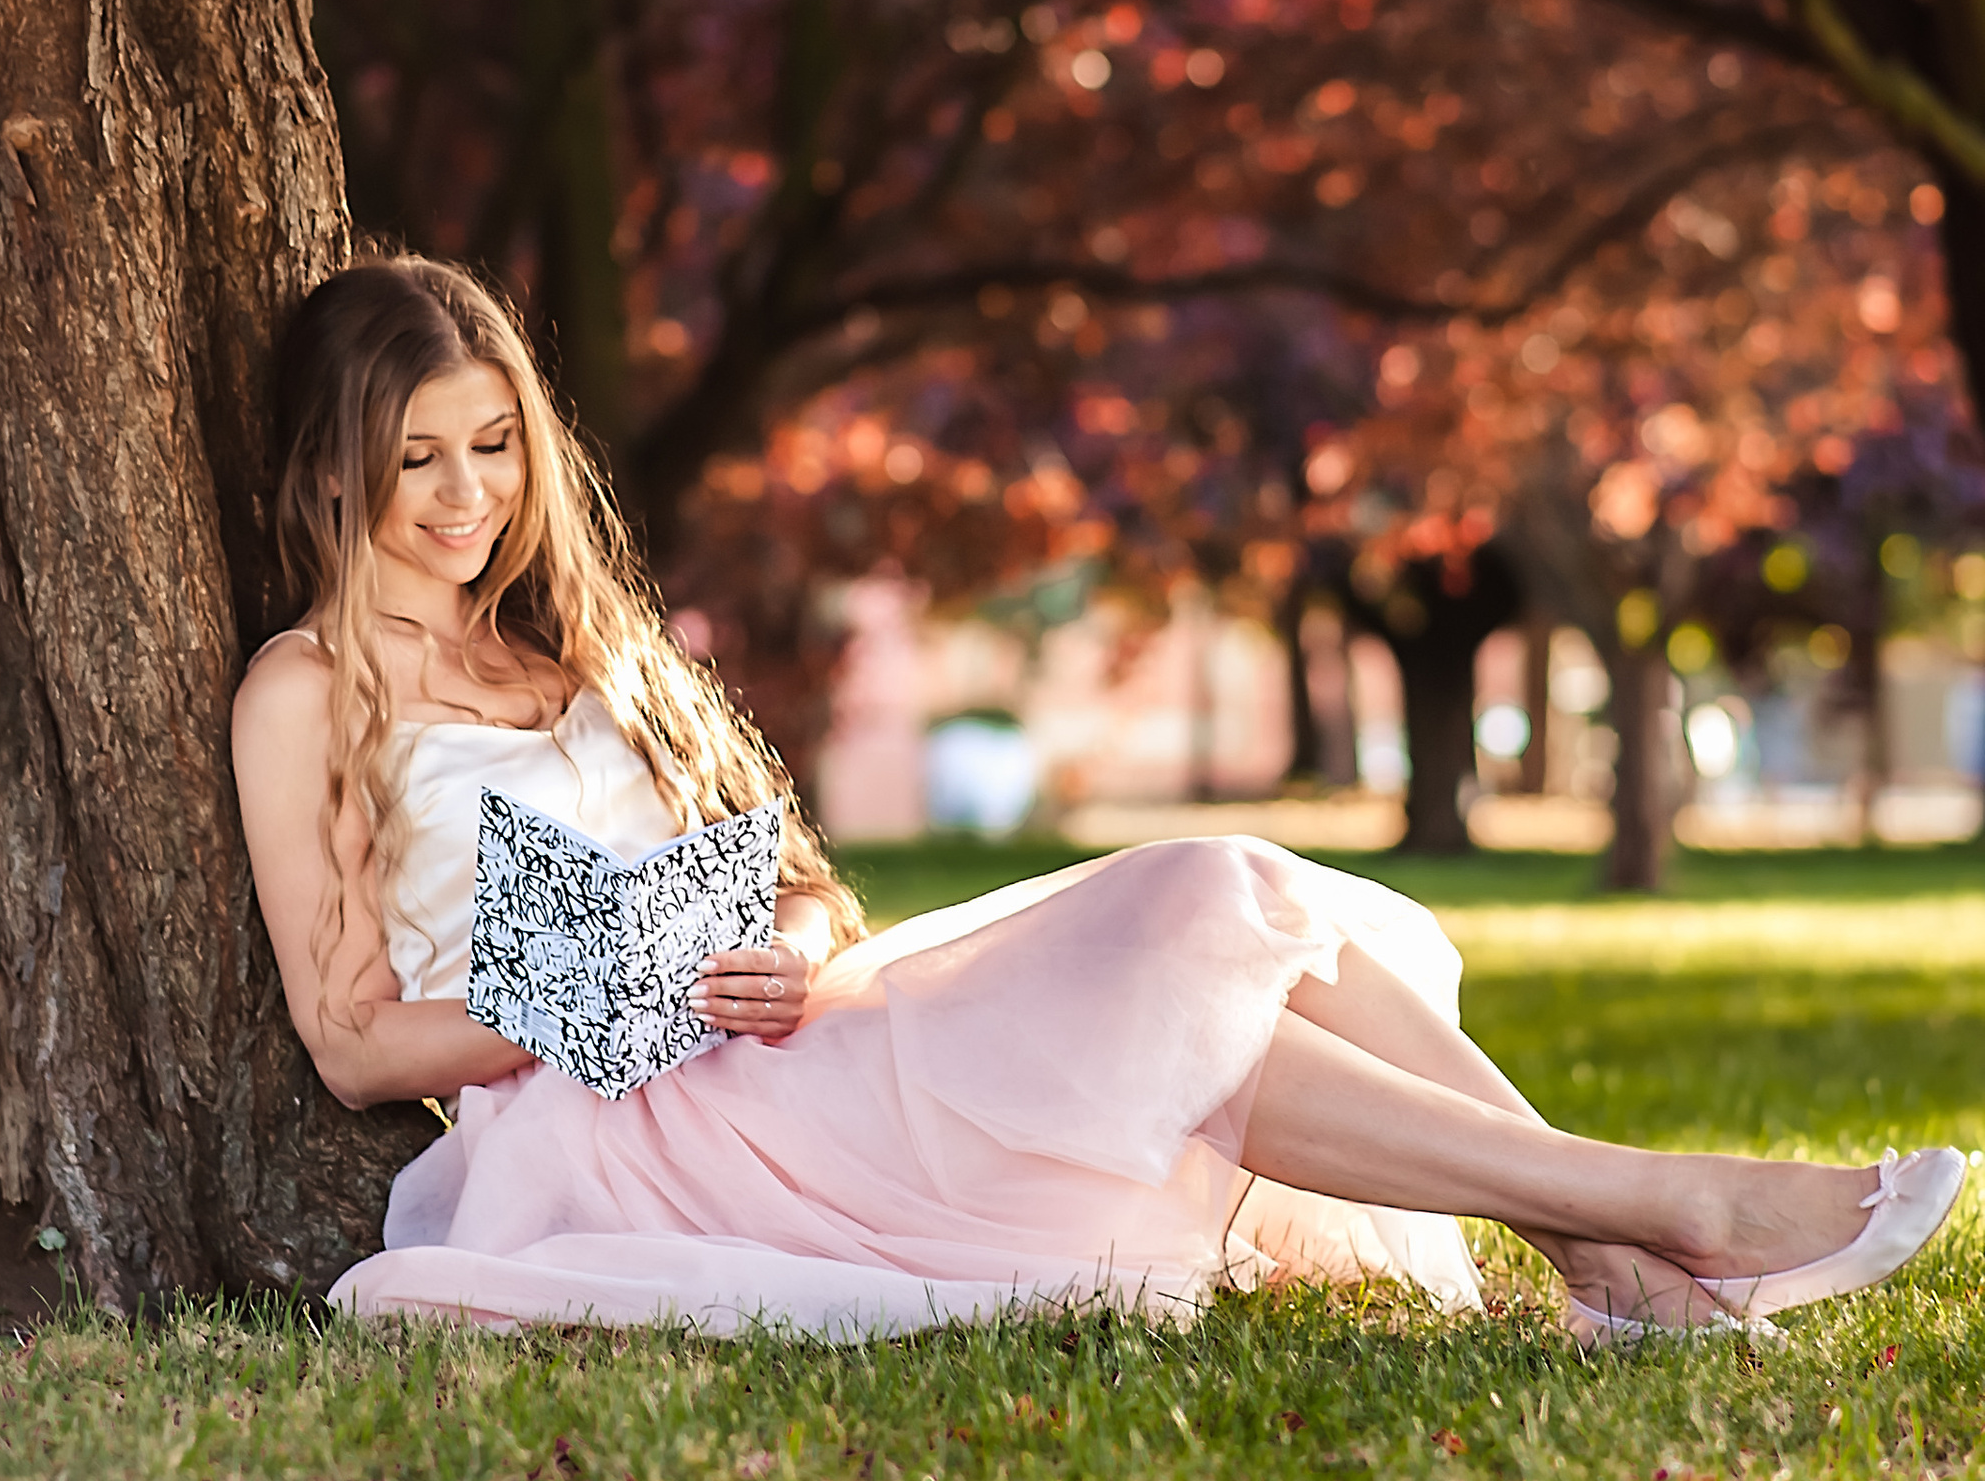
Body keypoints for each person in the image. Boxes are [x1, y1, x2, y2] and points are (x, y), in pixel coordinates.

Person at [232, 256, 1966, 1342]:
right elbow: (352, 1037)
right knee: (1200, 936)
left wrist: (786, 962)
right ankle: (1654, 1218)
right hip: (627, 1127)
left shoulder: (583, 651)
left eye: (493, 445)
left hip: (786, 1037)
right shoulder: (308, 688)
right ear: (334, 467)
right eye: (416, 461)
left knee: (1233, 902)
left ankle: (1614, 1249)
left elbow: (808, 897)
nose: (466, 495)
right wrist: (613, 997)